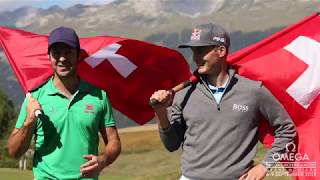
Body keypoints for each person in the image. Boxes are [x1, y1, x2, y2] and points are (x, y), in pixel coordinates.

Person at [150, 23, 296, 180]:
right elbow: (171, 145)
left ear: (221, 51)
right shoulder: (183, 94)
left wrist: (265, 165)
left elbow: (287, 129)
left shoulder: (253, 90)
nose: (195, 57)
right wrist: (160, 112)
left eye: (201, 51)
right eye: (193, 51)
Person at [7, 26, 121, 179]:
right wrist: (28, 122)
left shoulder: (98, 96)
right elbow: (14, 152)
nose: (62, 58)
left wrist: (103, 160)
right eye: (56, 53)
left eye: (68, 52)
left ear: (78, 55)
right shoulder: (34, 98)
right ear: (49, 56)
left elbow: (114, 142)